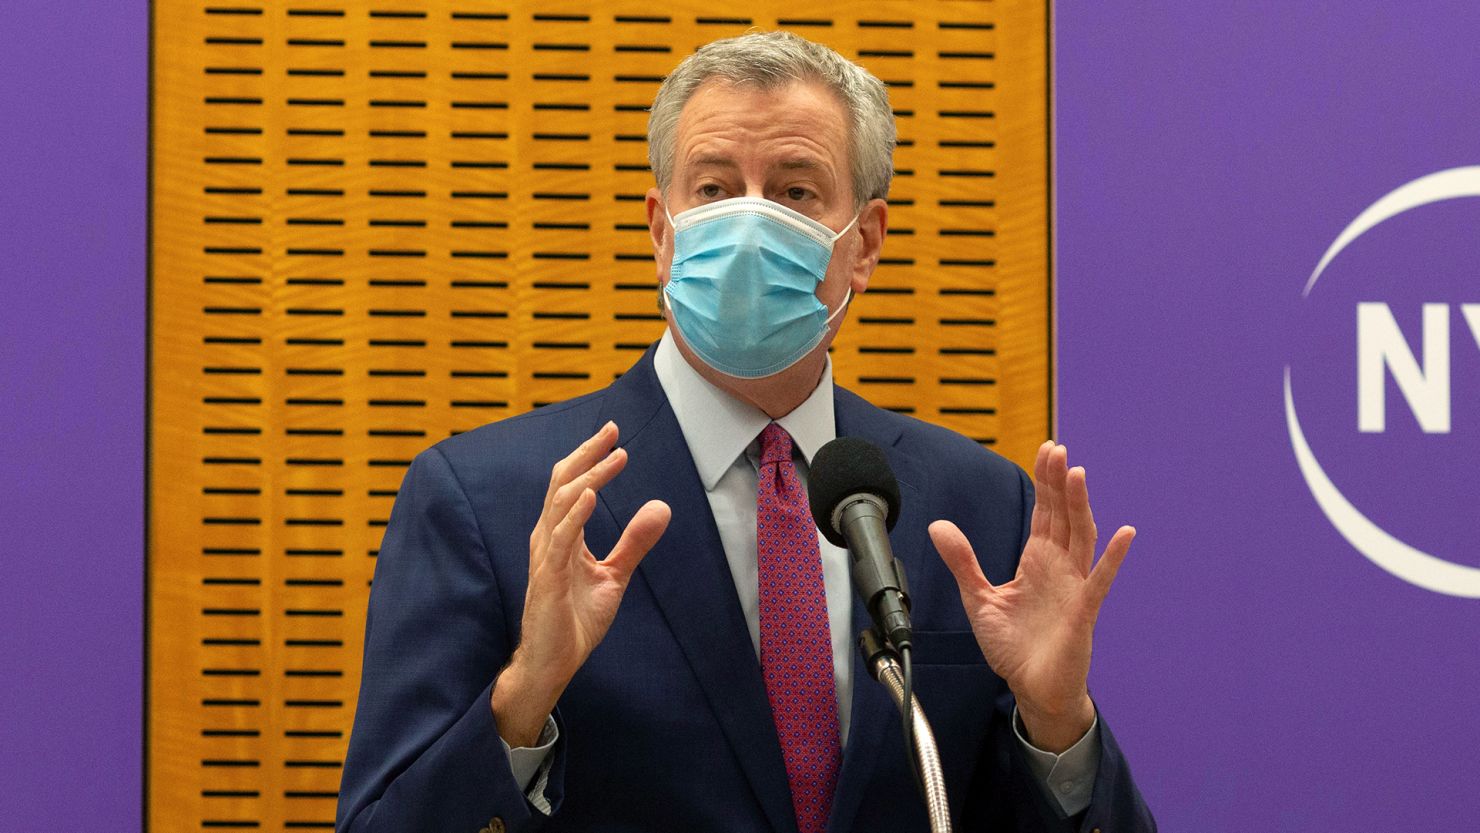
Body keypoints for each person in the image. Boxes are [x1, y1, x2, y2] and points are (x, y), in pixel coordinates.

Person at [337, 31, 1154, 833]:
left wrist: (1057, 724)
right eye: (715, 189)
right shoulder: (488, 502)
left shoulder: (975, 503)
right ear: (662, 231)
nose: (750, 220)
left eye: (796, 191)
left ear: (864, 241)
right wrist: (523, 699)